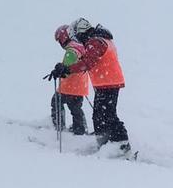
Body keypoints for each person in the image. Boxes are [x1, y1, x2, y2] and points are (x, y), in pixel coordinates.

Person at [45, 18, 131, 156]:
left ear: (81, 32)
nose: (78, 40)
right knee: (102, 115)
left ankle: (119, 145)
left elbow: (87, 62)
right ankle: (110, 145)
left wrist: (67, 69)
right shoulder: (100, 39)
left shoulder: (96, 41)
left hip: (108, 83)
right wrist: (65, 68)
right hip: (107, 83)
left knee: (105, 116)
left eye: (77, 36)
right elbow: (87, 60)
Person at [50, 24, 89, 135]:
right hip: (80, 85)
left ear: (63, 38)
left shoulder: (72, 50)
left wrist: (57, 72)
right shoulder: (81, 46)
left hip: (69, 86)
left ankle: (58, 126)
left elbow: (66, 69)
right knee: (76, 108)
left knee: (56, 102)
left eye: (59, 41)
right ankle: (80, 129)